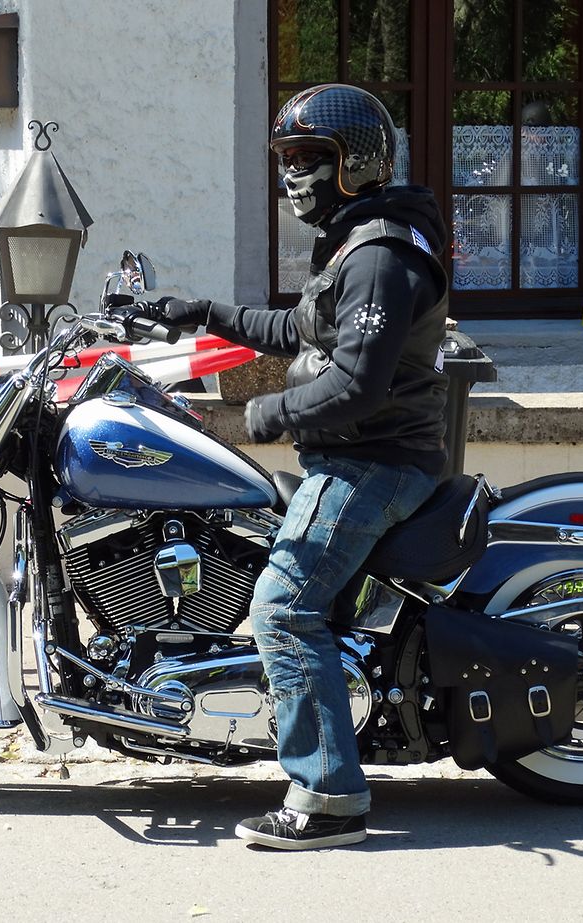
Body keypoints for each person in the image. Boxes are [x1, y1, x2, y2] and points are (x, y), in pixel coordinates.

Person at [159, 84, 450, 850]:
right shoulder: (357, 244)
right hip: (359, 453)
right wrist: (204, 314)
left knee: (283, 609)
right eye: (286, 158)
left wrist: (268, 413)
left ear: (357, 161)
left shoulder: (381, 255)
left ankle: (328, 797)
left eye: (310, 156)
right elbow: (301, 327)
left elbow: (358, 384)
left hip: (372, 462)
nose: (294, 174)